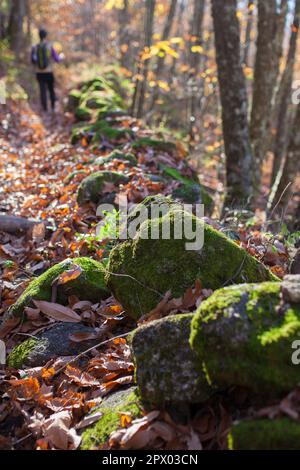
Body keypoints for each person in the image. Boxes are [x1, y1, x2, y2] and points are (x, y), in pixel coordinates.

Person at [31, 29, 63, 112]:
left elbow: (32, 60)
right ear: (45, 36)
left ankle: (44, 109)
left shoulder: (35, 47)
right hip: (49, 72)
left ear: (39, 36)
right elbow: (57, 59)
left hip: (39, 73)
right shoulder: (49, 46)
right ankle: (52, 107)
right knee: (51, 89)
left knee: (42, 91)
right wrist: (61, 57)